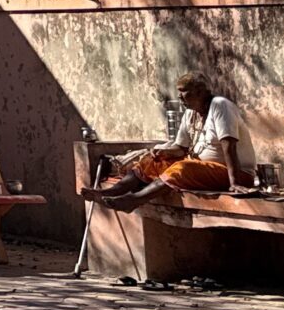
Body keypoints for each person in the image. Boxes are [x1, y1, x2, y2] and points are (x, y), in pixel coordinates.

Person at [83, 72, 251, 211]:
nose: (180, 97)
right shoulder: (190, 113)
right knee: (151, 161)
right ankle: (112, 192)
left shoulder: (220, 106)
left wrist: (234, 182)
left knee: (183, 167)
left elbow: (229, 145)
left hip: (235, 174)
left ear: (200, 92)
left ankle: (133, 200)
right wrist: (164, 153)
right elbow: (180, 148)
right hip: (201, 170)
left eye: (184, 93)